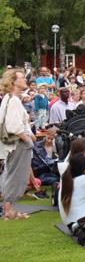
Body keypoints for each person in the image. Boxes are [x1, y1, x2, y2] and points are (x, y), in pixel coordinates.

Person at [0, 69, 35, 220]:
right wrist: (27, 139)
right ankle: (8, 210)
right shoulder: (13, 100)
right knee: (16, 177)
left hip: (14, 144)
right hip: (17, 144)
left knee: (13, 175)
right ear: (13, 81)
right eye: (22, 77)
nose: (25, 79)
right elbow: (13, 126)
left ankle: (10, 209)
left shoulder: (10, 99)